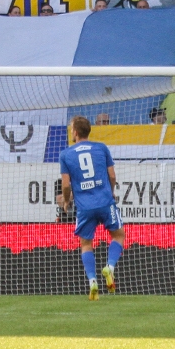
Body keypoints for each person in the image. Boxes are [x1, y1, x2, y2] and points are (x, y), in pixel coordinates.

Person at [59, 116, 124, 301]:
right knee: (118, 235)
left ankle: (92, 282)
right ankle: (110, 267)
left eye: (72, 128)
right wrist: (110, 193)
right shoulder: (101, 147)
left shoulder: (66, 154)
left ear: (76, 132)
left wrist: (66, 201)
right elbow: (112, 176)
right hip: (104, 202)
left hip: (84, 207)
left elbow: (65, 185)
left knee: (86, 244)